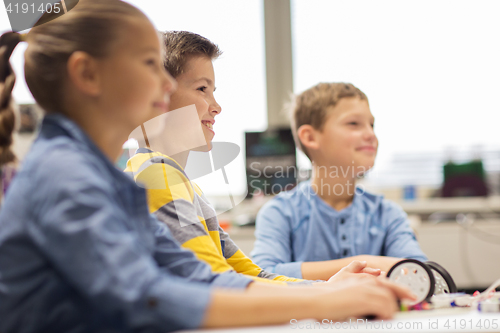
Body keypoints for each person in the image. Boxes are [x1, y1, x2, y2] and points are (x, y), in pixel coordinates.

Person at [0, 2, 414, 332]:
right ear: (88, 74)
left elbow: (196, 276)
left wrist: (323, 292)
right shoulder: (65, 175)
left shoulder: (107, 180)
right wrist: (322, 300)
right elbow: (143, 297)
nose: (165, 84)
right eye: (149, 64)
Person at [126, 31, 381, 285]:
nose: (216, 106)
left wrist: (325, 288)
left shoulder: (185, 187)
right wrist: (326, 294)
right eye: (202, 89)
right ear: (160, 93)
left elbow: (247, 273)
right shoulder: (156, 174)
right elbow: (217, 284)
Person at [251, 83, 428, 281]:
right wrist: (366, 262)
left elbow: (422, 275)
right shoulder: (280, 213)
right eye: (354, 123)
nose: (371, 134)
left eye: (372, 125)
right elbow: (262, 275)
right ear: (310, 137)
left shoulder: (387, 214)